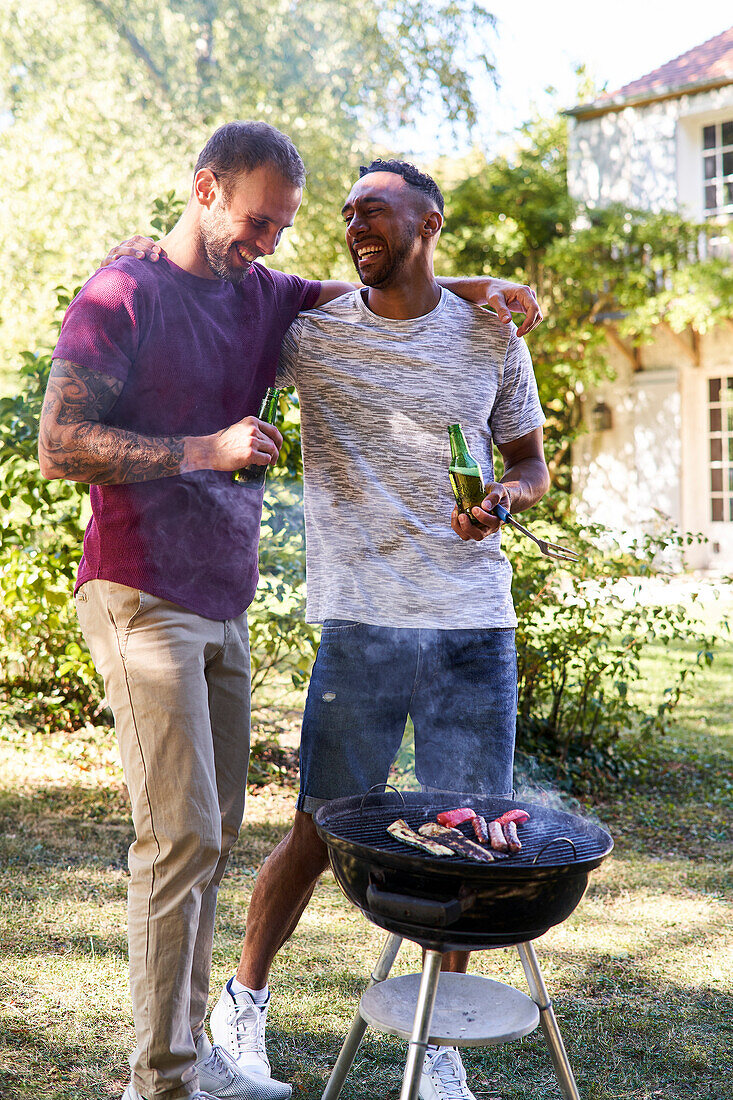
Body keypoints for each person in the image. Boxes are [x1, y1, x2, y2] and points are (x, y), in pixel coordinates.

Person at [39, 120, 542, 1100]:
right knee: (237, 831)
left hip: (336, 608)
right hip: (225, 598)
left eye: (284, 225)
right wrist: (204, 442)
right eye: (261, 219)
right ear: (203, 190)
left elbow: (409, 319)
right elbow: (64, 441)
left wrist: (481, 292)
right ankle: (193, 1051)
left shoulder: (313, 305)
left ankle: (247, 1047)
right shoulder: (190, 303)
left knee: (243, 830)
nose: (272, 241)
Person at [203, 160, 550, 1100]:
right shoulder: (313, 335)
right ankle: (243, 1004)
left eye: (375, 210)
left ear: (428, 222)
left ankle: (435, 1038)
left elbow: (528, 460)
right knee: (319, 829)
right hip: (360, 620)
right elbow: (220, 301)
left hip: (472, 623)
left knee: (467, 832)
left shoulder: (488, 335)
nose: (356, 224)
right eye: (348, 212)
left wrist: (506, 501)